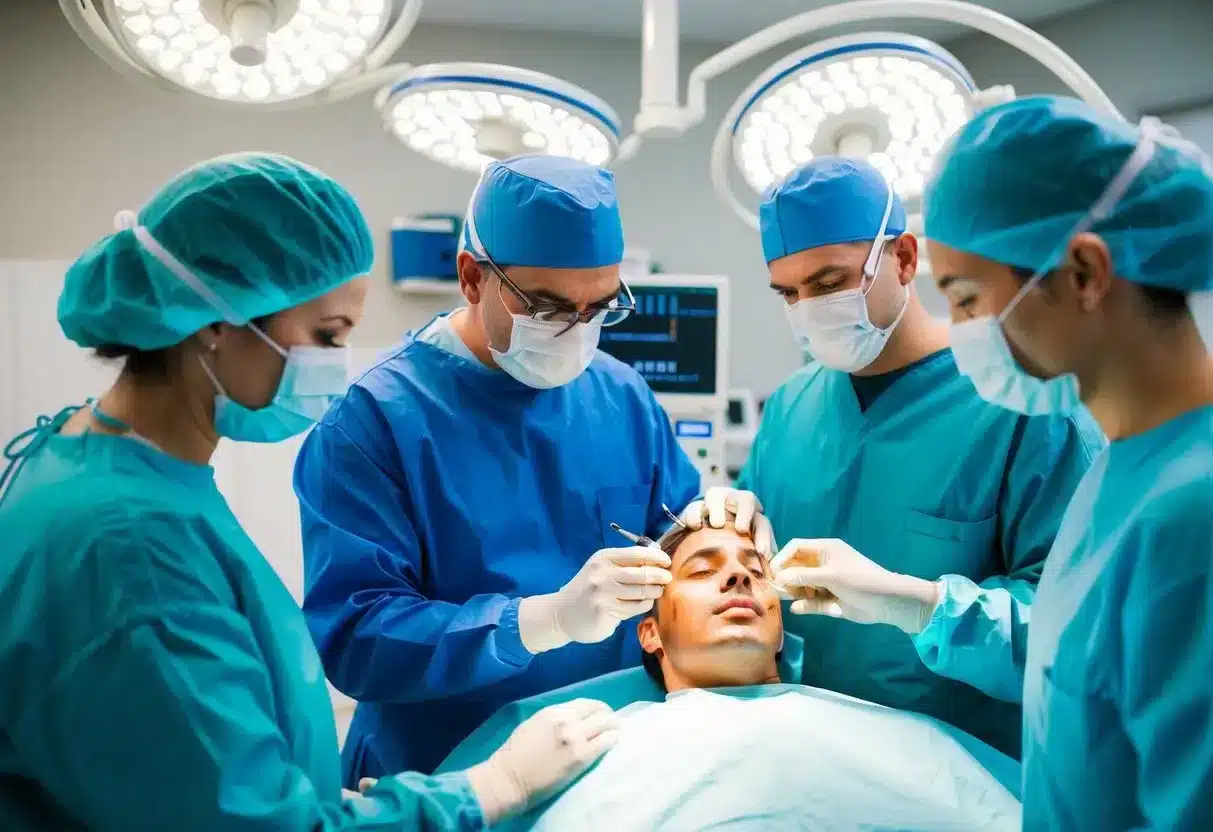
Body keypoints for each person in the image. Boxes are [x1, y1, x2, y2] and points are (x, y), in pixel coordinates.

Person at [0, 152, 616, 831]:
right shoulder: (130, 548)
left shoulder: (95, 466)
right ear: (216, 323)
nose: (336, 362)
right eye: (325, 335)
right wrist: (488, 787)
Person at [294, 154, 702, 783]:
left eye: (597, 308)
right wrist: (542, 621)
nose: (574, 331)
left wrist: (710, 525)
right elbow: (360, 641)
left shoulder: (620, 395)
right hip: (444, 777)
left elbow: (674, 528)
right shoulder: (372, 423)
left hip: (610, 767)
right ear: (469, 277)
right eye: (547, 307)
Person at [683, 156, 1106, 759]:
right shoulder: (790, 407)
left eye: (828, 283)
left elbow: (1080, 639)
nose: (808, 310)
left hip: (966, 778)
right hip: (807, 762)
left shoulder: (1027, 406)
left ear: (905, 259)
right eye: (789, 293)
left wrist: (923, 606)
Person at [920, 95, 1213, 829]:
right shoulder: (1120, 471)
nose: (959, 335)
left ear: (1083, 271)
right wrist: (910, 604)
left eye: (964, 299)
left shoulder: (1193, 517)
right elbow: (1084, 672)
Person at [439, 511, 1023, 831]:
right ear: (650, 630)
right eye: (701, 571)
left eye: (753, 568)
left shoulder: (905, 739)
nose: (739, 577)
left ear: (780, 615)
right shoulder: (574, 750)